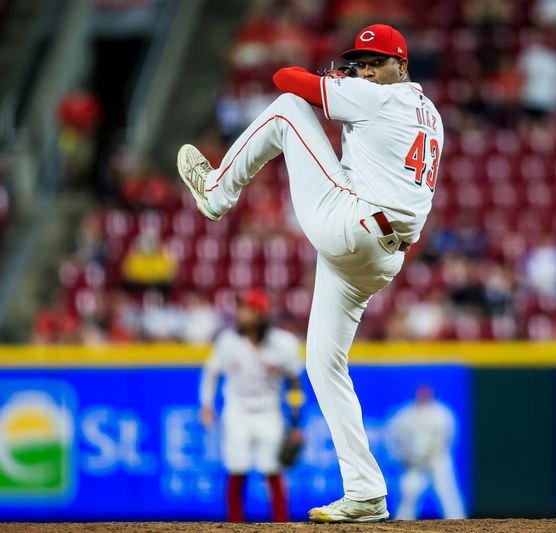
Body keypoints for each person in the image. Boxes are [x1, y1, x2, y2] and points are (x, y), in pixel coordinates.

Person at [178, 24, 443, 523]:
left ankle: (215, 193)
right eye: (359, 62)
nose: (364, 70)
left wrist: (334, 80)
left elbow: (284, 77)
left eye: (375, 61)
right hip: (382, 252)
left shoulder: (381, 98)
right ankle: (365, 492)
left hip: (355, 227)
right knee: (322, 365)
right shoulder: (429, 114)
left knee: (287, 111)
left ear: (401, 67)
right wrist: (345, 82)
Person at [199, 288, 304, 523]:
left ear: (261, 314)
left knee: (273, 470)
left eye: (247, 309)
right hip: (237, 410)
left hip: (269, 411)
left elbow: (295, 384)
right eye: (241, 308)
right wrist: (206, 405)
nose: (241, 313)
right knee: (237, 468)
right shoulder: (228, 340)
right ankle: (235, 525)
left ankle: (280, 525)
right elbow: (211, 373)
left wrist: (296, 423)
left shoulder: (283, 343)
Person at [388, 385, 466, 520]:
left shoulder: (441, 413)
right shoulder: (405, 414)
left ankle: (459, 523)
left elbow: (449, 436)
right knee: (409, 492)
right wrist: (403, 456)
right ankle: (402, 523)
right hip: (414, 463)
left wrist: (436, 451)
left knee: (447, 492)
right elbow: (394, 438)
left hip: (437, 460)